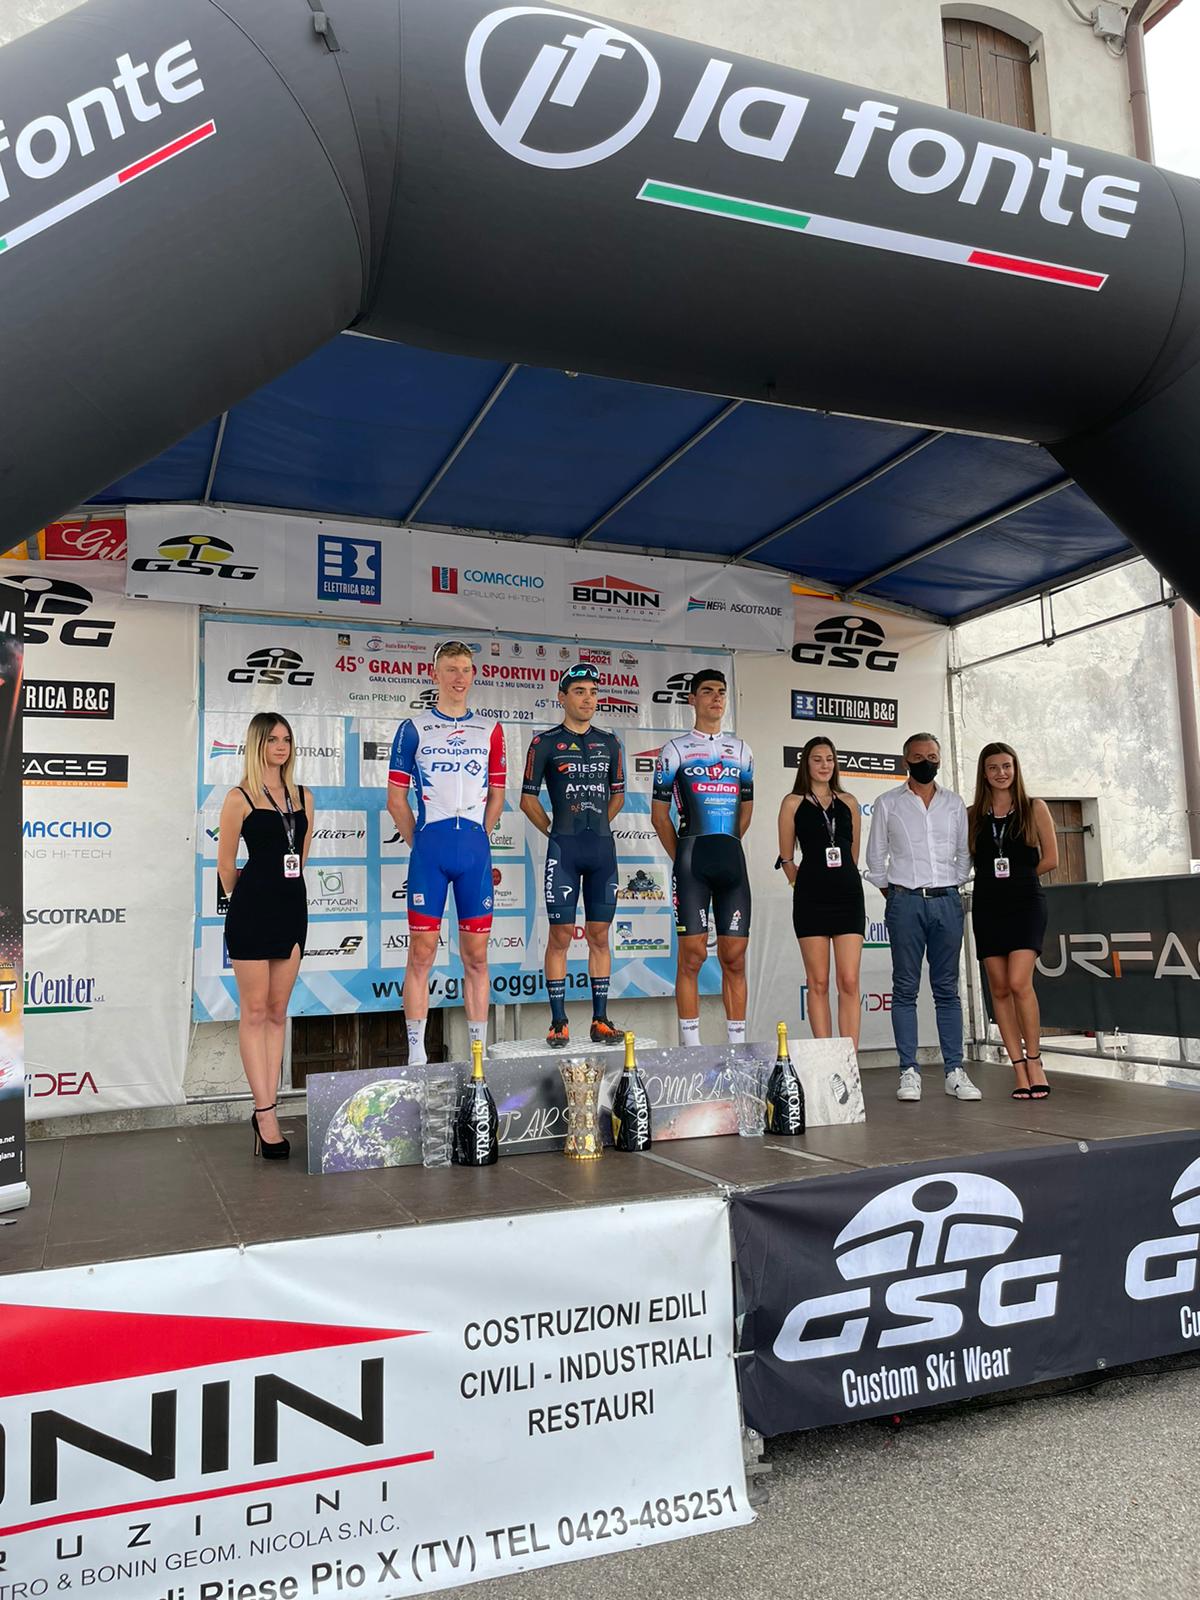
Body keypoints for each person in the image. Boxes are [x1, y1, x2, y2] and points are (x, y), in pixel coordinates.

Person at [387, 641, 506, 1065]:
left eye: (465, 669)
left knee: (477, 957)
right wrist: (420, 843)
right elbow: (396, 799)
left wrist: (478, 838)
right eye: (451, 669)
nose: (459, 678)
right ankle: (416, 1055)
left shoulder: (490, 729)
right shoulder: (413, 728)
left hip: (474, 850)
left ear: (474, 675)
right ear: (434, 674)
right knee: (421, 954)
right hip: (430, 850)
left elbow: (498, 795)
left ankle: (477, 1055)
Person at [218, 713, 313, 1159]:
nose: (281, 746)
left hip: (291, 910)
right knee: (254, 1012)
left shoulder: (304, 796)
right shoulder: (238, 797)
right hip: (251, 911)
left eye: (287, 739)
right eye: (273, 739)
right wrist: (248, 897)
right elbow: (226, 866)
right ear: (257, 744)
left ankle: (268, 1105)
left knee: (277, 1013)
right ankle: (265, 1114)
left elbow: (300, 858)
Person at [864, 732, 979, 1102]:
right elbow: (875, 858)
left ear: (940, 760)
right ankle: (908, 1071)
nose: (926, 762)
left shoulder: (954, 803)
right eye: (918, 756)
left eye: (932, 756)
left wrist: (949, 886)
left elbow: (964, 855)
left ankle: (954, 1071)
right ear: (906, 761)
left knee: (947, 989)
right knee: (905, 988)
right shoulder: (887, 803)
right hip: (905, 902)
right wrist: (897, 893)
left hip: (947, 902)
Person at [520, 662, 626, 1047]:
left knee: (599, 935)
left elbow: (618, 795)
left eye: (594, 692)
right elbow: (527, 799)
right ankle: (559, 1021)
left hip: (601, 850)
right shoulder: (544, 743)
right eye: (580, 692)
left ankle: (600, 1020)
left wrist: (597, 825)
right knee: (561, 935)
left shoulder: (610, 743)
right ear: (562, 697)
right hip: (564, 850)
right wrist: (555, 830)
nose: (588, 699)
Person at [651, 668, 753, 1047]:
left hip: (731, 862)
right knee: (692, 957)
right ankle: (691, 1050)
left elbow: (747, 807)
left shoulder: (742, 751)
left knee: (735, 958)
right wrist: (683, 857)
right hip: (692, 862)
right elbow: (659, 816)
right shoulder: (674, 750)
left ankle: (738, 1047)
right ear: (692, 699)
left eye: (721, 692)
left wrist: (727, 843)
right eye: (707, 691)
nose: (716, 698)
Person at [969, 741, 1059, 1099]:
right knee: (999, 988)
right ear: (984, 773)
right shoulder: (973, 815)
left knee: (1020, 982)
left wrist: (1019, 879)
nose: (1001, 773)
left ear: (1015, 768)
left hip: (1025, 904)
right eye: (993, 767)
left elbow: (1051, 858)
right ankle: (1017, 1067)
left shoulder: (1034, 807)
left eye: (1006, 766)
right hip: (988, 906)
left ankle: (1035, 1061)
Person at [777, 736, 865, 1049]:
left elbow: (852, 854)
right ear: (806, 764)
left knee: (849, 981)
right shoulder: (792, 802)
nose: (824, 765)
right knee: (818, 982)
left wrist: (839, 878)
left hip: (848, 898)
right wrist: (802, 883)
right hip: (811, 900)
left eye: (829, 759)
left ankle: (849, 1059)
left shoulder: (849, 802)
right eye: (817, 759)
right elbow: (787, 858)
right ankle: (826, 1059)